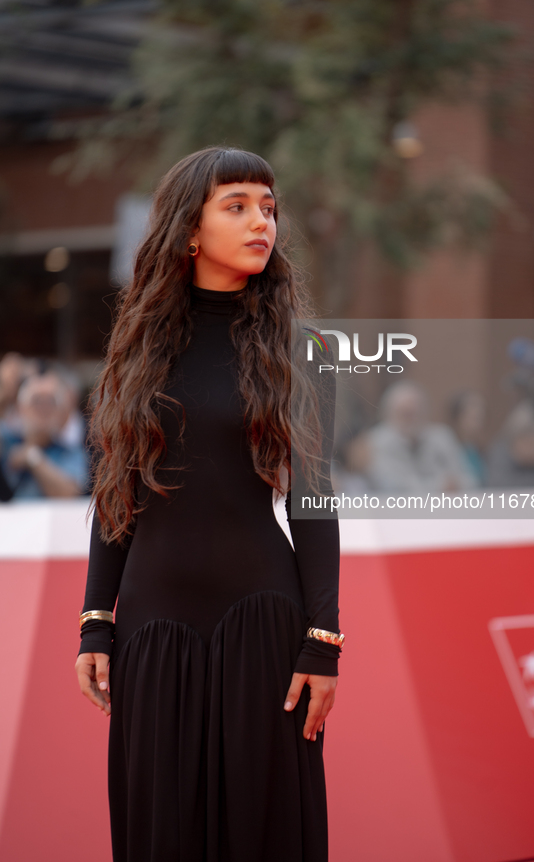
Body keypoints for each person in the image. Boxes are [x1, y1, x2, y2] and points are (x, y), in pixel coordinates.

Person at [74, 147, 343, 862]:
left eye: (269, 207)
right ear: (189, 230)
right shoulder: (133, 350)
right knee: (162, 830)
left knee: (264, 833)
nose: (262, 221)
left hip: (263, 623)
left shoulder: (302, 349)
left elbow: (315, 500)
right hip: (153, 630)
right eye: (238, 205)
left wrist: (324, 641)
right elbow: (115, 495)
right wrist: (96, 621)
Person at [363, 379, 475, 495]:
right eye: (405, 414)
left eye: (415, 413)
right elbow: (391, 485)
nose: (410, 420)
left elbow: (469, 478)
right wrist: (439, 486)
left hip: (445, 509)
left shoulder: (441, 437)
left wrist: (456, 483)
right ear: (390, 414)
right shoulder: (376, 442)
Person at [0, 371, 89, 499]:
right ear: (20, 407)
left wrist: (33, 457)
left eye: (50, 402)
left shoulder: (70, 451)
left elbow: (71, 494)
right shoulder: (6, 441)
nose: (43, 408)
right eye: (36, 401)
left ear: (61, 411)